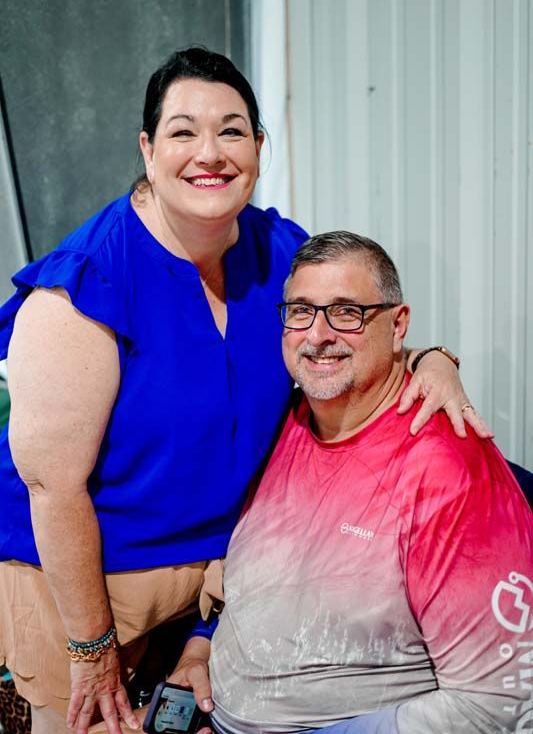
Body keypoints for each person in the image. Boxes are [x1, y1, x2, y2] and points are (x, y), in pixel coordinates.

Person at [0, 48, 489, 734]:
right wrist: (91, 652)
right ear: (147, 149)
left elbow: (351, 331)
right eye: (182, 131)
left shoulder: (279, 250)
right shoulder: (84, 286)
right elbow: (53, 489)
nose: (210, 152)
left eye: (231, 130)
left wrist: (431, 360)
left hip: (221, 580)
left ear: (259, 147)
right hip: (82, 588)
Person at [169, 232, 532, 734]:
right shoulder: (283, 421)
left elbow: (496, 703)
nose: (318, 335)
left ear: (398, 324)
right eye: (301, 311)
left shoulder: (446, 468)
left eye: (347, 312)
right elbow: (256, 586)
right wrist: (199, 650)